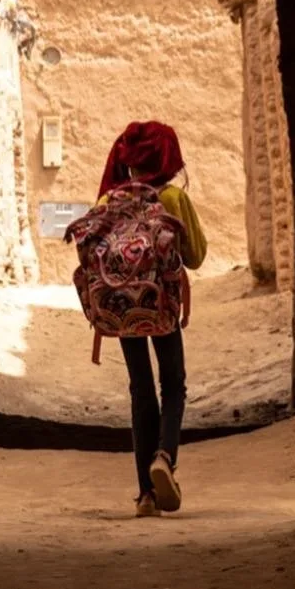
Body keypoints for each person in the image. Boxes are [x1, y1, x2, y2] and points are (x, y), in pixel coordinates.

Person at [97, 120, 207, 517]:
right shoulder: (173, 197)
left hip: (124, 310)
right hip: (163, 305)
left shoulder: (109, 201)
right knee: (173, 384)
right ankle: (165, 457)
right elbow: (196, 255)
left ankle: (145, 495)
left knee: (140, 389)